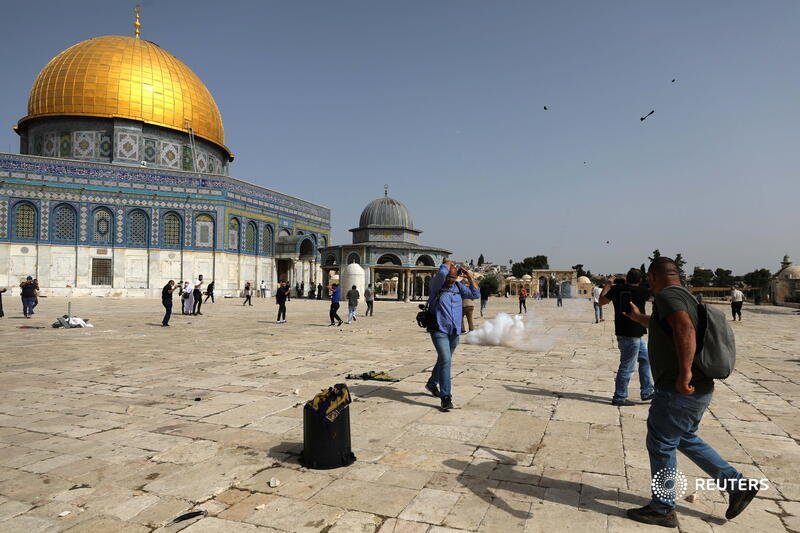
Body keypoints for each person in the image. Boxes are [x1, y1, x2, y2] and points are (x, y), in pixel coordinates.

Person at [623, 257, 758, 528]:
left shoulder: (667, 295)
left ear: (652, 277)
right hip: (699, 388)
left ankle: (662, 508)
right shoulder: (684, 295)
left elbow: (684, 328)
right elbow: (671, 325)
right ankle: (738, 485)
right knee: (682, 436)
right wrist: (640, 319)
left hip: (680, 388)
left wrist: (684, 373)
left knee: (661, 443)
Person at [425, 262, 480, 411]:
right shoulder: (437, 286)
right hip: (439, 329)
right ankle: (446, 397)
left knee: (444, 359)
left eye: (453, 278)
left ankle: (431, 383)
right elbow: (442, 273)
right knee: (446, 360)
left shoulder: (458, 287)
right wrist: (448, 264)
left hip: (454, 331)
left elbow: (476, 294)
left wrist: (469, 275)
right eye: (449, 277)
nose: (450, 280)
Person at [599, 269, 655, 406]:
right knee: (627, 366)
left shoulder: (617, 289)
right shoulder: (643, 291)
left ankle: (647, 391)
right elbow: (655, 294)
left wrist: (607, 284)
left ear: (626, 278)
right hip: (632, 334)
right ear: (640, 280)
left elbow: (601, 301)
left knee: (645, 358)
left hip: (627, 332)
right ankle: (619, 397)